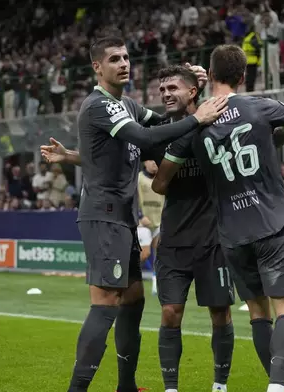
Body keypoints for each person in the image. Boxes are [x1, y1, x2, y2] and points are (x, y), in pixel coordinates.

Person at [42, 36, 227, 392]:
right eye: (114, 59)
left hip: (123, 217)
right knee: (105, 304)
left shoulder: (126, 103)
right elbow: (145, 137)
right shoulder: (99, 105)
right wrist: (197, 117)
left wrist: (194, 92)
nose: (124, 63)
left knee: (133, 301)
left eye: (126, 57)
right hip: (103, 215)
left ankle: (126, 386)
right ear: (97, 67)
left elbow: (163, 125)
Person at [163, 44, 284, 392]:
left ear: (209, 75)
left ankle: (276, 384)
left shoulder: (196, 125)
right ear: (242, 76)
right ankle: (278, 386)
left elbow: (162, 176)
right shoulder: (260, 106)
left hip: (231, 233)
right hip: (269, 221)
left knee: (257, 312)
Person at [149, 65, 236, 392]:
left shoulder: (218, 123)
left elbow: (232, 91)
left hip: (213, 241)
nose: (166, 94)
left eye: (173, 88)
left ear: (194, 91)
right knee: (170, 312)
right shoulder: (158, 130)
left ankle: (219, 386)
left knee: (220, 313)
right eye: (162, 90)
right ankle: (171, 388)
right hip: (173, 240)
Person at [137, 159, 165, 295]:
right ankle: (127, 273)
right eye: (151, 161)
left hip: (159, 222)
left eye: (156, 161)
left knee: (159, 254)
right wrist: (139, 215)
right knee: (145, 253)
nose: (154, 163)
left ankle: (156, 285)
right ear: (145, 163)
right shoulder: (139, 179)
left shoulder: (162, 178)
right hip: (143, 223)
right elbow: (133, 197)